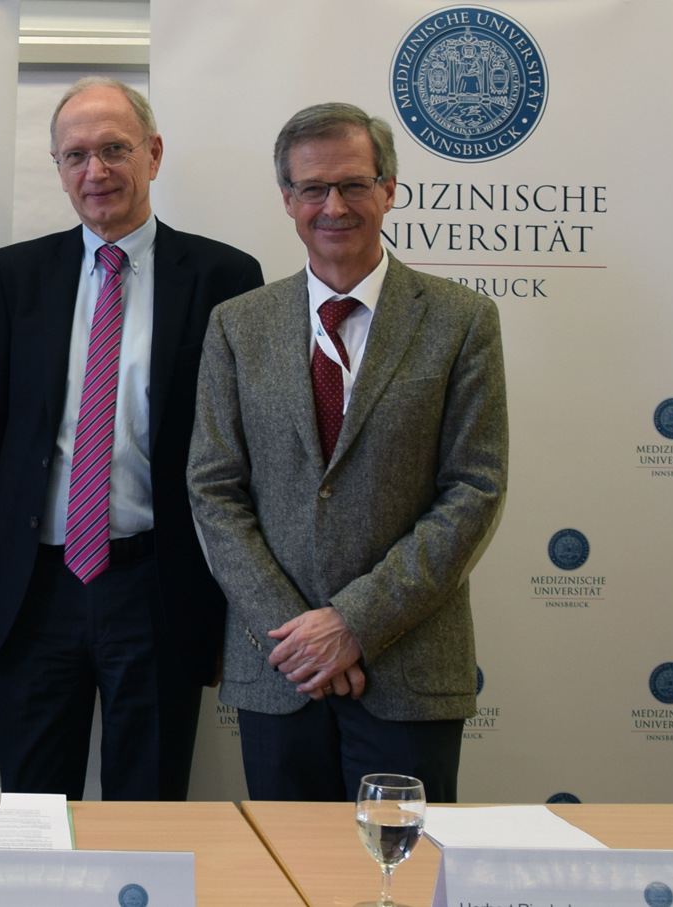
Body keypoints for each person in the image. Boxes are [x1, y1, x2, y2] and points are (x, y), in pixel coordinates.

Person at [187, 102, 509, 802]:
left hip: (408, 670)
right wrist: (303, 639)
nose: (333, 205)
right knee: (290, 880)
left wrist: (354, 624)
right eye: (312, 188)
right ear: (287, 200)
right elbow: (214, 489)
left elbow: (474, 488)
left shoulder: (461, 321)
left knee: (403, 875)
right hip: (280, 670)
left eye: (354, 184)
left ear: (390, 189)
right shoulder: (238, 326)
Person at [0, 78, 263, 801]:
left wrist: (224, 606)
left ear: (154, 155)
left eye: (115, 149)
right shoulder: (13, 275)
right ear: (58, 168)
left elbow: (243, 458)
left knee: (149, 806)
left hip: (158, 584)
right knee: (28, 804)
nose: (96, 172)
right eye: (76, 155)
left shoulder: (226, 276)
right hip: (35, 591)